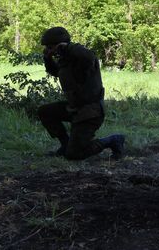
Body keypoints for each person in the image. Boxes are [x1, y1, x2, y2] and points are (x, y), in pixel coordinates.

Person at [38, 26, 125, 160]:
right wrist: (48, 59)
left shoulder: (81, 57)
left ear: (60, 45)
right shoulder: (65, 60)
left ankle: (112, 140)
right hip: (75, 108)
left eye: (51, 47)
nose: (49, 50)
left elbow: (89, 56)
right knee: (45, 111)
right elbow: (57, 72)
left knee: (74, 155)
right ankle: (65, 145)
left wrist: (68, 47)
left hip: (91, 112)